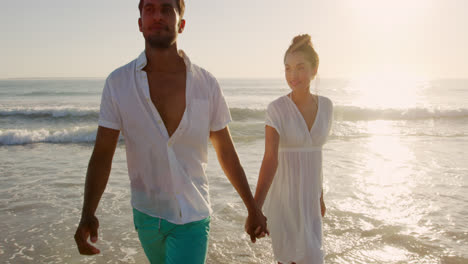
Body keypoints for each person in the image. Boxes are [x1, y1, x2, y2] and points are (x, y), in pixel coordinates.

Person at [73, 0, 268, 263]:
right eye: (149, 9)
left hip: (193, 215)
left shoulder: (207, 84)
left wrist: (252, 207)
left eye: (166, 9)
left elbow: (226, 152)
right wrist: (88, 212)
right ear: (140, 24)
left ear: (181, 24)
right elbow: (102, 153)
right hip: (146, 214)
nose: (157, 16)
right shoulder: (118, 83)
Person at [253, 34, 333, 264]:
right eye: (287, 69)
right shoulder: (276, 109)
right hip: (284, 198)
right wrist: (255, 208)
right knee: (288, 259)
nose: (292, 75)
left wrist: (320, 196)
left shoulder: (327, 106)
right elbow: (270, 160)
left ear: (314, 69)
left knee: (313, 257)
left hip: (310, 199)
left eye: (300, 68)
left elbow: (317, 156)